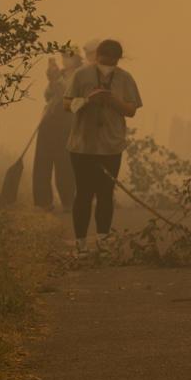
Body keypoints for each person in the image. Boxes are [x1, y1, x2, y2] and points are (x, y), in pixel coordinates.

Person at [65, 39, 142, 253]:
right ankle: (80, 243)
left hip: (111, 145)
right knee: (83, 193)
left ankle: (103, 241)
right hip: (83, 145)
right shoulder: (81, 75)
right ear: (97, 57)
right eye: (103, 61)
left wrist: (112, 100)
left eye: (112, 62)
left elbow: (131, 110)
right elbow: (66, 103)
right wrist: (87, 100)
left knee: (106, 194)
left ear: (118, 60)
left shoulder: (125, 78)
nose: (107, 65)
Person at [32, 51, 80, 212]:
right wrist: (52, 81)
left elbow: (70, 96)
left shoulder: (80, 74)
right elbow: (47, 95)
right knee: (42, 160)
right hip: (49, 120)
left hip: (67, 122)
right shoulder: (59, 74)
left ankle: (68, 201)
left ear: (77, 58)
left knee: (65, 162)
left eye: (69, 56)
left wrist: (57, 80)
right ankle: (43, 202)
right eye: (64, 56)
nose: (65, 59)